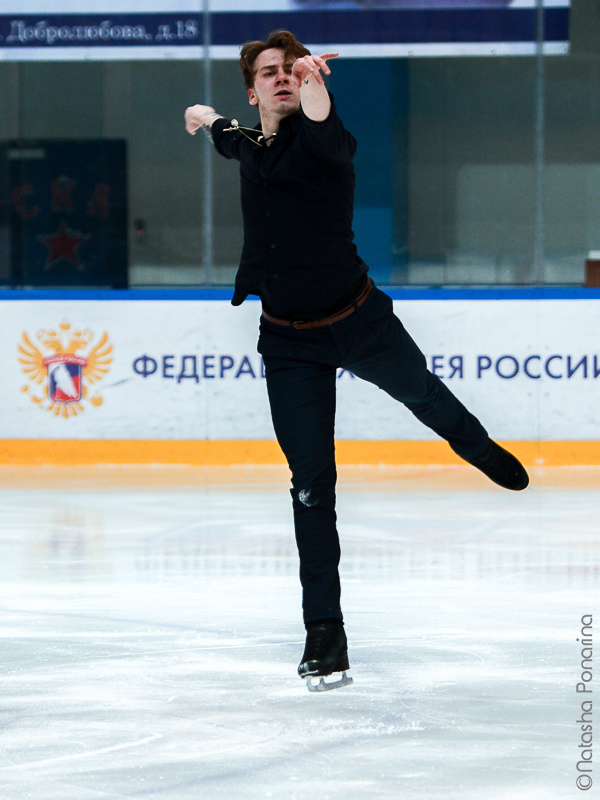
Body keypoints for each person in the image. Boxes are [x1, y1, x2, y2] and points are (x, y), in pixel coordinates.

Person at [184, 30, 529, 692]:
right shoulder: (249, 142)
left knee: (421, 393)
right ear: (253, 91)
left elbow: (320, 119)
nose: (283, 77)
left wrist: (316, 86)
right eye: (270, 71)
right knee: (312, 485)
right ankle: (325, 634)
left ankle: (476, 446)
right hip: (288, 342)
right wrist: (204, 117)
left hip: (359, 321)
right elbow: (231, 136)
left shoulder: (323, 141)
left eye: (293, 69)